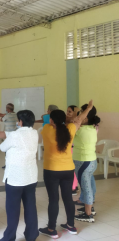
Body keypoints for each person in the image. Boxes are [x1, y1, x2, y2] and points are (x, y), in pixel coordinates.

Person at [38, 100, 94, 238]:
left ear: (51, 120)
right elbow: (79, 119)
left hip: (51, 170)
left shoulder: (46, 130)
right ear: (64, 120)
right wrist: (88, 109)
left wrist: (63, 119)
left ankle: (51, 229)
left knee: (53, 200)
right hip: (68, 170)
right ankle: (71, 226)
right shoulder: (70, 129)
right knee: (68, 198)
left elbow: (70, 120)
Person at [0, 110, 39, 241]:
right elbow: (8, 134)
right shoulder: (34, 133)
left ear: (20, 122)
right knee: (30, 207)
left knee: (13, 210)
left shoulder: (15, 135)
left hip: (15, 179)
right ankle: (31, 236)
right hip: (30, 177)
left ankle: (9, 238)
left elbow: (2, 147)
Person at [73, 104, 100, 223]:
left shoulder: (80, 129)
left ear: (86, 118)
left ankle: (88, 215)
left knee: (86, 187)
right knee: (89, 185)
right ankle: (89, 208)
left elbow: (75, 122)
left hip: (83, 162)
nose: (79, 116)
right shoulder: (93, 127)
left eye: (81, 114)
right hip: (91, 161)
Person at [0, 103, 17, 168]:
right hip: (15, 135)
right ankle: (13, 165)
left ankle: (8, 165)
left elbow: (1, 119)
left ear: (8, 109)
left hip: (8, 135)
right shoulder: (15, 114)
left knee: (7, 150)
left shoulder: (7, 115)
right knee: (13, 150)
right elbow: (2, 115)